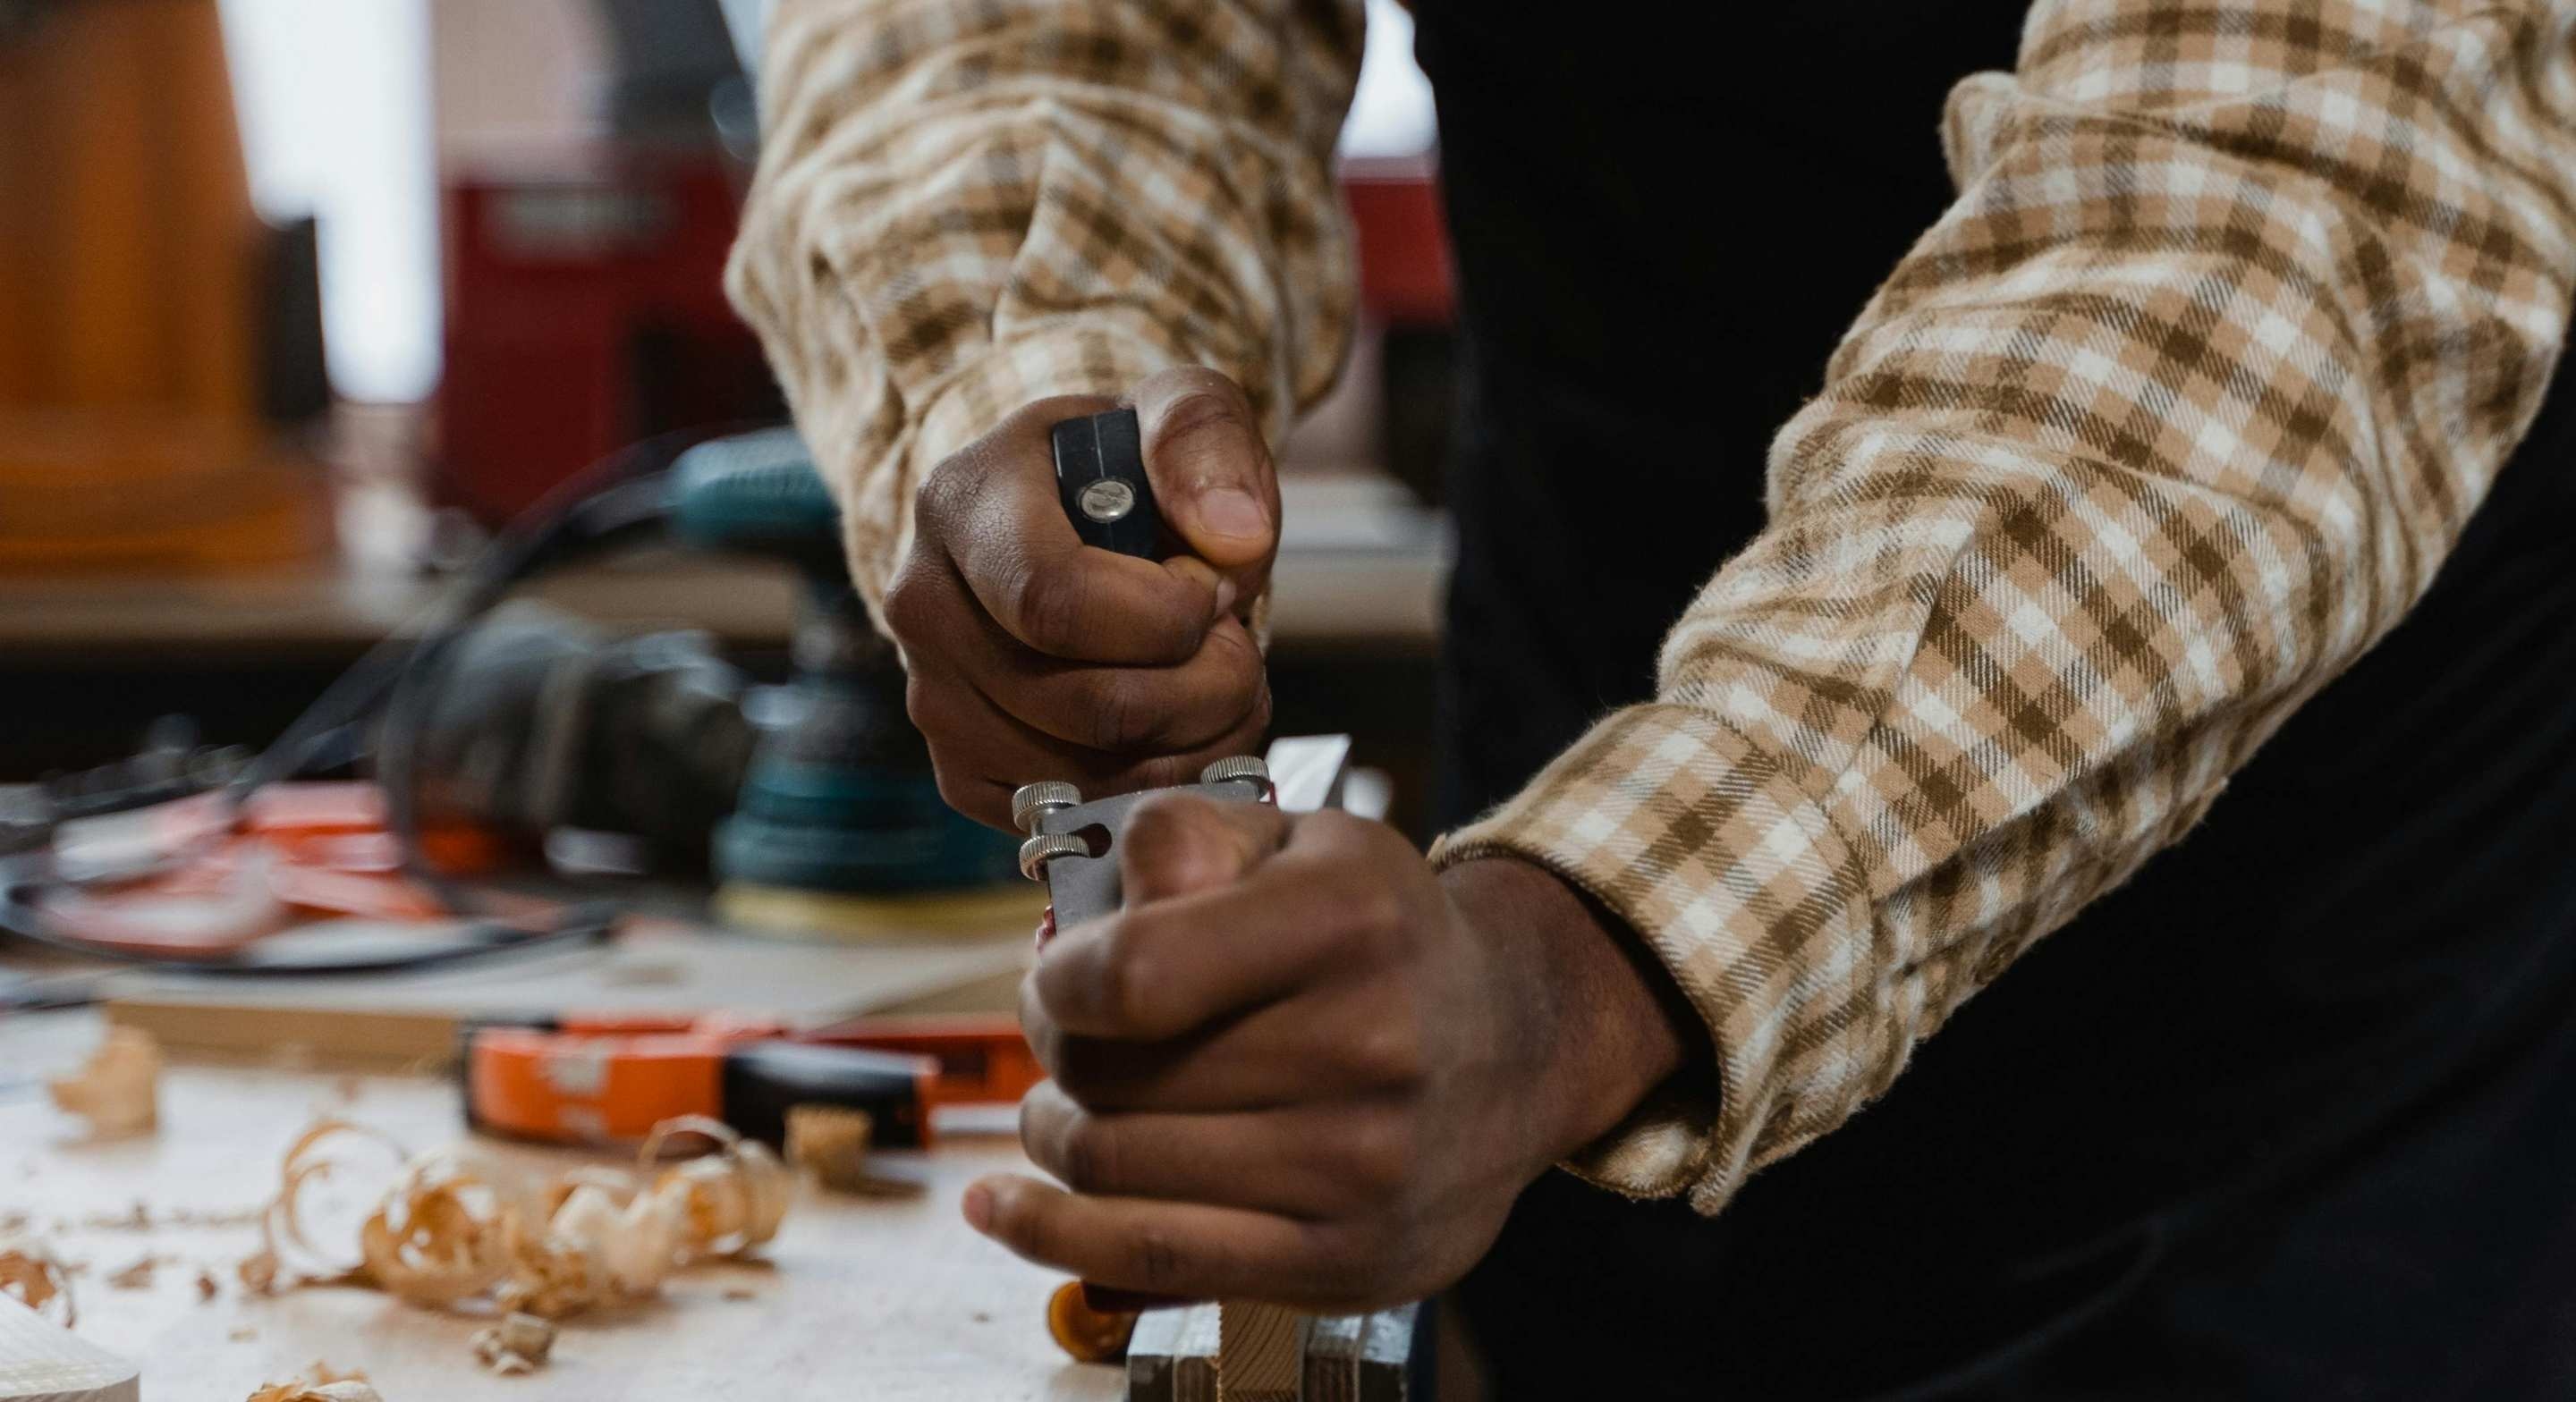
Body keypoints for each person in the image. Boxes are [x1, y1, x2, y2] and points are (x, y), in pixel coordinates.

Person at [726, 1, 2576, 1395]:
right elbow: (1045, 33)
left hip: (2310, 1013)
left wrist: (1578, 966)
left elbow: (2271, 219)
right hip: (1574, 835)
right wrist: (1044, 383)